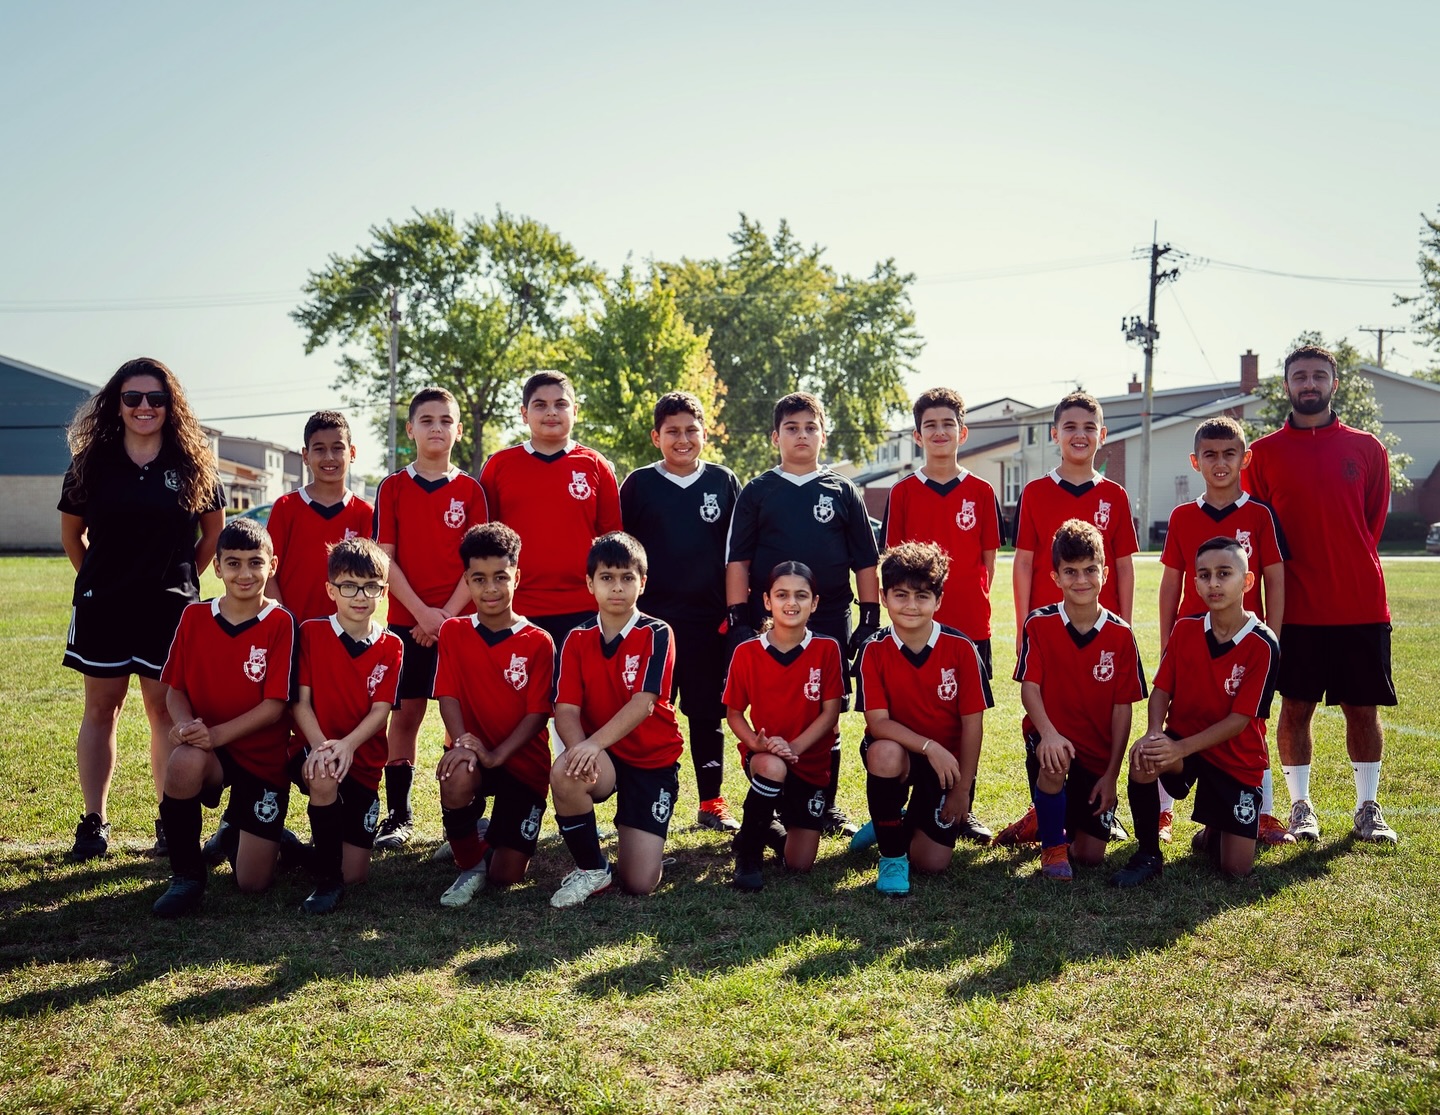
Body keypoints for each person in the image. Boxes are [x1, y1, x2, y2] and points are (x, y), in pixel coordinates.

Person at [58, 357, 225, 860]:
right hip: (103, 608)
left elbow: (214, 532)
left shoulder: (192, 462)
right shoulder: (92, 462)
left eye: (156, 398)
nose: (144, 407)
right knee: (100, 710)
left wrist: (184, 580)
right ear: (117, 404)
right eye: (133, 398)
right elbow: (72, 536)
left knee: (163, 714)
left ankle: (169, 821)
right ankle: (94, 821)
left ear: (170, 405)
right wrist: (96, 582)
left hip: (168, 611)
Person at [1243, 344, 1398, 844]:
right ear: (1286, 385)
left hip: (1359, 603)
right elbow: (1260, 534)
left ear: (1333, 382)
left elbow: (1370, 522)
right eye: (1300, 376)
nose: (1309, 384)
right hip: (1296, 610)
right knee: (1296, 708)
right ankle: (1301, 807)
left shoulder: (1368, 447)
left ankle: (1367, 807)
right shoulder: (1262, 455)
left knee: (1362, 709)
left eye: (1318, 376)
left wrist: (1346, 561)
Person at [725, 392, 880, 837]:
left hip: (829, 617)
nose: (802, 435)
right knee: (774, 707)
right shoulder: (758, 491)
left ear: (823, 435)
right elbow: (738, 559)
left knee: (825, 711)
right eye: (792, 428)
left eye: (811, 427)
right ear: (776, 436)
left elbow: (865, 562)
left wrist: (868, 620)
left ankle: (821, 804)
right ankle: (768, 801)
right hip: (769, 619)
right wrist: (738, 619)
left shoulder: (843, 491)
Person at [1110, 537, 1280, 887]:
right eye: (1204, 575)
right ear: (1195, 582)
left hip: (1236, 757)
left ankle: (1215, 830)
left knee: (1235, 869)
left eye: (1224, 573)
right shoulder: (1186, 628)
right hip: (1184, 743)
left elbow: (1239, 721)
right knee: (1143, 756)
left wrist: (1179, 748)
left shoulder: (1263, 643)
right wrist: (1156, 733)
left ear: (1247, 581)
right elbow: (1161, 691)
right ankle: (1147, 854)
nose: (1213, 583)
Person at [151, 518, 297, 917]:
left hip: (262, 761)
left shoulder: (281, 623)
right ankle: (187, 876)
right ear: (216, 567)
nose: (244, 573)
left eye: (255, 563)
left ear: (273, 565)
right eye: (233, 563)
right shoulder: (194, 618)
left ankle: (242, 832)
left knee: (253, 884)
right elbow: (175, 688)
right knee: (182, 761)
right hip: (210, 752)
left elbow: (275, 707)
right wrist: (183, 726)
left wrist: (213, 735)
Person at [1159, 415, 1291, 846]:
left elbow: (1274, 577)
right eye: (1210, 454)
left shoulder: (1259, 514)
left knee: (1252, 724)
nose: (1220, 463)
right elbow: (1170, 584)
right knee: (1179, 718)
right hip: (1194, 645)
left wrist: (1272, 636)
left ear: (1244, 459)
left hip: (1244, 645)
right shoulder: (1182, 516)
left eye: (1229, 454)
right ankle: (1163, 812)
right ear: (1195, 461)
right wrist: (1166, 641)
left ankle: (1263, 813)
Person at [881, 386, 1004, 842]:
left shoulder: (982, 491)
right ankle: (902, 804)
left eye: (947, 424)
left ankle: (963, 799)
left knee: (964, 715)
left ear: (963, 432)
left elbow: (988, 559)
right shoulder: (904, 492)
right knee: (915, 710)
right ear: (917, 436)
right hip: (915, 625)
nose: (939, 431)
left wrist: (971, 600)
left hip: (969, 624)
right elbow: (892, 562)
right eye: (929, 425)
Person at [993, 521, 1147, 881]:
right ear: (1055, 577)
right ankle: (1052, 849)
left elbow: (1122, 709)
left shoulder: (1121, 635)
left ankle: (1045, 821)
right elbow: (1029, 688)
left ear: (1105, 574)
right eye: (1071, 572)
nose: (1082, 580)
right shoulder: (1039, 624)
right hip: (1051, 744)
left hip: (1096, 758)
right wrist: (1047, 733)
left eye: (1090, 570)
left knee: (1092, 856)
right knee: (1055, 757)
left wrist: (1111, 776)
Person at [371, 387, 488, 850]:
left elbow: (477, 565)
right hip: (407, 623)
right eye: (427, 419)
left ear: (458, 430)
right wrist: (422, 613)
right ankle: (398, 816)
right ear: (411, 429)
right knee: (406, 714)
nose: (436, 427)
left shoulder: (471, 490)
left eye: (445, 420)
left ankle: (459, 816)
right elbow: (385, 560)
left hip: (462, 623)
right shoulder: (393, 487)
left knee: (461, 715)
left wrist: (445, 617)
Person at [620, 391, 742, 833]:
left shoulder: (724, 481)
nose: (683, 438)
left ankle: (711, 801)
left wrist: (737, 609)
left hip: (710, 621)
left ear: (704, 434)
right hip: (652, 624)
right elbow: (623, 554)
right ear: (656, 437)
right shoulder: (638, 484)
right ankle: (646, 800)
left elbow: (737, 552)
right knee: (649, 712)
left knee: (707, 714)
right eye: (672, 431)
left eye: (692, 430)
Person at [548, 532, 684, 908]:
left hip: (651, 759)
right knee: (565, 772)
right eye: (607, 578)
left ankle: (645, 852)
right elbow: (566, 711)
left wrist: (593, 744)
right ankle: (592, 868)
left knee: (639, 882)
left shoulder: (657, 632)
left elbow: (643, 704)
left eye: (627, 578)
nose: (617, 587)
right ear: (590, 583)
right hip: (604, 757)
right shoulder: (576, 638)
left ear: (642, 582)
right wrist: (581, 750)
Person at [852, 542, 993, 895]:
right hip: (901, 751)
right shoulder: (873, 649)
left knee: (932, 863)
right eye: (901, 595)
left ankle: (891, 818)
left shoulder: (961, 648)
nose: (911, 606)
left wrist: (962, 790)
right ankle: (891, 854)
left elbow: (973, 726)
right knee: (884, 753)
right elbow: (878, 724)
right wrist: (929, 747)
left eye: (922, 596)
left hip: (946, 763)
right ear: (884, 598)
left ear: (938, 601)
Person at [432, 523, 555, 907]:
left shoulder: (538, 640)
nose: (490, 589)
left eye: (501, 578)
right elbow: (447, 694)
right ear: (466, 580)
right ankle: (470, 860)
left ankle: (480, 832)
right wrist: (465, 743)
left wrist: (497, 755)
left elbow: (537, 713)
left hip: (523, 765)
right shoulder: (454, 631)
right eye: (479, 579)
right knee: (456, 773)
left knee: (507, 876)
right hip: (476, 756)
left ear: (517, 577)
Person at [290, 537, 403, 914]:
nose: (360, 595)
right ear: (331, 589)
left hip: (362, 758)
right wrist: (324, 746)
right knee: (324, 774)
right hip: (316, 745)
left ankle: (296, 849)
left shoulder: (392, 645)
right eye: (349, 586)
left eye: (371, 586)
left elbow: (380, 710)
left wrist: (348, 746)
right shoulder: (311, 632)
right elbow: (300, 704)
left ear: (383, 591)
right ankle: (326, 884)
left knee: (357, 873)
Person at [478, 370, 623, 655]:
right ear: (524, 413)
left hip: (584, 607)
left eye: (561, 404)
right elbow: (484, 544)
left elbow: (612, 544)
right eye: (540, 405)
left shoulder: (595, 465)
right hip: (516, 606)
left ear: (575, 411)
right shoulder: (499, 465)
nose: (551, 412)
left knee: (577, 699)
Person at [724, 562, 845, 891]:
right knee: (772, 766)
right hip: (767, 756)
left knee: (799, 864)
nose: (791, 603)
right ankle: (748, 855)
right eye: (782, 595)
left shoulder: (827, 649)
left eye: (801, 595)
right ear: (767, 601)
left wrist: (795, 747)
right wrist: (756, 743)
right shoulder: (747, 652)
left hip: (812, 761)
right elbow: (735, 714)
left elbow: (830, 714)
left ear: (814, 603)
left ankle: (761, 829)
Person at [1012, 391, 1138, 652]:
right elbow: (1023, 563)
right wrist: (1022, 625)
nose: (1080, 435)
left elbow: (1124, 566)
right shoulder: (1035, 492)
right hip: (1046, 621)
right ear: (1055, 435)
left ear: (1102, 436)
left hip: (1103, 620)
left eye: (1089, 428)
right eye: (1070, 427)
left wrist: (1126, 624)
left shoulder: (1115, 495)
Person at [266, 410, 376, 623]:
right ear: (305, 456)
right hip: (294, 628)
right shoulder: (286, 507)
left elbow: (370, 580)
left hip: (346, 632)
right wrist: (284, 621)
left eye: (337, 448)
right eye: (319, 449)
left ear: (352, 453)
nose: (329, 457)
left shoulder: (365, 513)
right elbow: (269, 571)